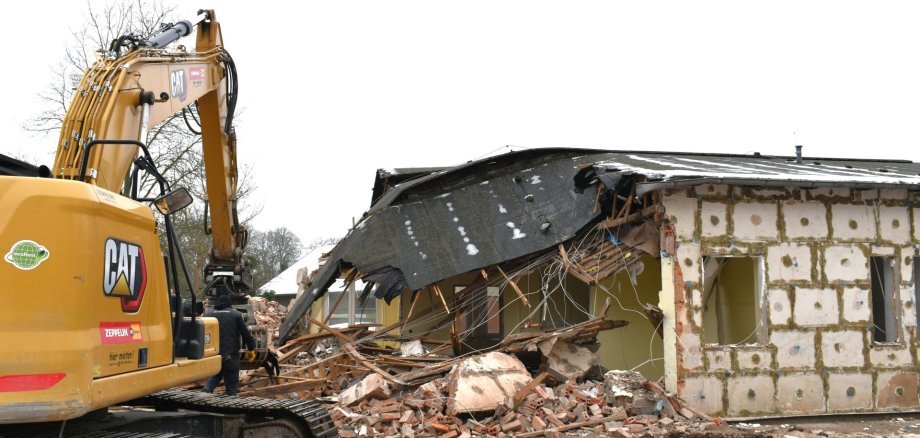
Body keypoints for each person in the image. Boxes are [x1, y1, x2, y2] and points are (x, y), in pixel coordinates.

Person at [203, 294, 257, 396]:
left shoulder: (208, 315)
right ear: (229, 304)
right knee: (231, 384)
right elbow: (245, 334)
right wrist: (251, 349)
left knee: (216, 374)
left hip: (214, 355)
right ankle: (230, 401)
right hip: (231, 355)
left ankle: (208, 388)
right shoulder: (236, 315)